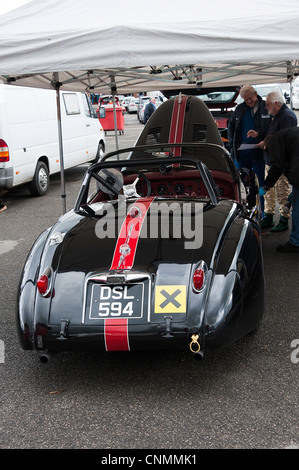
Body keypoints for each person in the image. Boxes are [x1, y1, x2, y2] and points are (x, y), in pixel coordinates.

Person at [228, 85, 270, 213]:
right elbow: (231, 127)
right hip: (242, 154)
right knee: (240, 184)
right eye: (245, 100)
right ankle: (242, 212)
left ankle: (264, 212)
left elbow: (272, 129)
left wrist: (259, 134)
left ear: (255, 94)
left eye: (250, 98)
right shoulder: (240, 109)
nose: (248, 101)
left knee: (262, 183)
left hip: (260, 153)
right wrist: (231, 145)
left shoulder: (265, 107)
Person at [259, 91, 297, 231]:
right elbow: (271, 135)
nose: (266, 107)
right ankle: (268, 216)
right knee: (269, 192)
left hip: (281, 162)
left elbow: (284, 143)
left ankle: (284, 219)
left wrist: (267, 144)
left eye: (268, 104)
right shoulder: (275, 116)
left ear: (277, 103)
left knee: (282, 191)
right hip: (270, 159)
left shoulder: (288, 116)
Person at [259, 128, 299, 252]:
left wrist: (265, 186)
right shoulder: (287, 137)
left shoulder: (274, 141)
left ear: (266, 145)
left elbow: (277, 166)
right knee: (295, 196)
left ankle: (296, 242)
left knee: (297, 207)